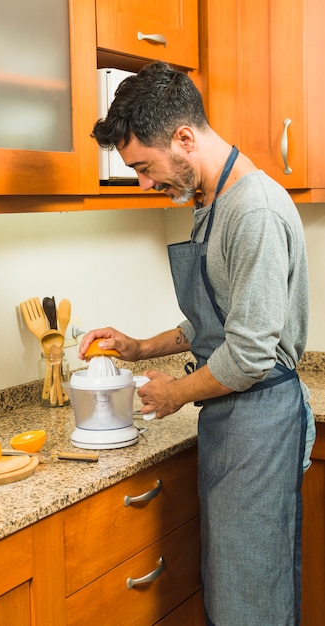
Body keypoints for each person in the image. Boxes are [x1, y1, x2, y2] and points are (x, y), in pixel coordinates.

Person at [79, 61, 315, 626]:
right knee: (233, 590)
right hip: (232, 418)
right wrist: (138, 349)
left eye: (142, 165)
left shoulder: (251, 210)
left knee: (250, 599)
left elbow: (252, 352)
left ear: (184, 138)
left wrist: (175, 394)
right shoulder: (211, 202)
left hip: (259, 420)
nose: (142, 181)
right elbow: (212, 322)